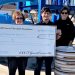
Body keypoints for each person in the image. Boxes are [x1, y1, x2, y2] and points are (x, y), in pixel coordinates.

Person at [34, 7, 54, 75]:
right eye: (44, 13)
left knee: (48, 68)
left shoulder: (54, 26)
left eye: (48, 13)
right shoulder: (37, 26)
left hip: (49, 51)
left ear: (50, 15)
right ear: (41, 14)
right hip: (39, 51)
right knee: (37, 67)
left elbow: (55, 39)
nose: (46, 15)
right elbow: (34, 40)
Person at [8, 11, 28, 75]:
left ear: (23, 19)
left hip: (23, 57)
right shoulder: (9, 30)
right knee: (11, 73)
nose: (19, 19)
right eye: (17, 18)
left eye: (20, 18)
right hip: (12, 57)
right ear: (14, 19)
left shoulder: (28, 30)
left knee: (22, 73)